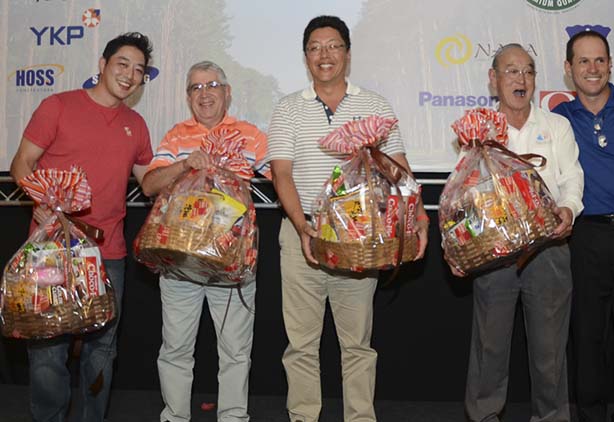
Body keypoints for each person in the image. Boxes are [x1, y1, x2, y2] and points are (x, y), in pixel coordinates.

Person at [267, 15, 428, 422]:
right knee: (301, 343)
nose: (325, 55)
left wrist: (418, 214)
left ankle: (360, 418)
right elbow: (280, 173)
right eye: (316, 47)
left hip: (361, 237)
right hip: (300, 233)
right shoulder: (288, 108)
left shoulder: (374, 106)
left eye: (333, 46)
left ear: (348, 54)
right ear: (306, 57)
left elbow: (398, 167)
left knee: (356, 343)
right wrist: (301, 225)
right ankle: (303, 416)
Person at [10, 32, 154, 422]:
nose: (129, 74)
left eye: (139, 70)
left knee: (102, 351)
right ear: (103, 65)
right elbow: (22, 163)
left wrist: (188, 166)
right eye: (122, 64)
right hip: (51, 250)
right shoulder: (57, 106)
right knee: (46, 349)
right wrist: (40, 199)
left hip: (108, 256)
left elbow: (151, 182)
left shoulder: (136, 125)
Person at [450, 44, 584, 422]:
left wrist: (568, 208)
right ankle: (484, 417)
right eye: (510, 71)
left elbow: (572, 178)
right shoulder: (478, 131)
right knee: (489, 348)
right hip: (495, 254)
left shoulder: (555, 126)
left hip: (549, 249)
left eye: (527, 71)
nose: (520, 79)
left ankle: (551, 418)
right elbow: (461, 187)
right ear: (494, 80)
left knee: (550, 353)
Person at [140, 60, 269, 422]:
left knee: (235, 350)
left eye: (211, 85)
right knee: (176, 348)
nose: (204, 93)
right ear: (187, 97)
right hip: (179, 263)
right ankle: (175, 417)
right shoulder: (176, 135)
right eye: (196, 88)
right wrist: (185, 166)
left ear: (227, 92)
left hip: (231, 262)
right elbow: (149, 185)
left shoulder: (249, 136)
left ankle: (232, 418)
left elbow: (283, 173)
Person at [553, 29, 614, 422]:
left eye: (599, 60)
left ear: (611, 64)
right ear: (568, 69)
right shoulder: (558, 119)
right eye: (583, 61)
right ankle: (590, 416)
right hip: (584, 237)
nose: (592, 69)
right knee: (587, 335)